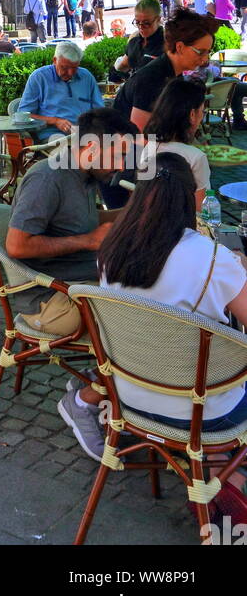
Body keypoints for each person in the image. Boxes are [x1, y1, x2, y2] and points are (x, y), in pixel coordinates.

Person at [56, 150, 247, 465]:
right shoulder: (214, 258)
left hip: (128, 398)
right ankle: (219, 470)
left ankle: (215, 469)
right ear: (190, 198)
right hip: (203, 413)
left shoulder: (111, 250)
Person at [6, 108, 137, 325]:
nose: (121, 166)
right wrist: (88, 241)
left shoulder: (85, 173)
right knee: (143, 313)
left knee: (153, 282)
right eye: (118, 156)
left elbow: (79, 220)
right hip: (49, 299)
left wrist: (136, 211)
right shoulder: (47, 178)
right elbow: (17, 246)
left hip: (80, 281)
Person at [114, 10, 217, 131]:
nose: (205, 59)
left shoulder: (173, 73)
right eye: (201, 52)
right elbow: (141, 136)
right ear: (180, 47)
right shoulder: (152, 79)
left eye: (208, 52)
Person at [140, 78, 210, 210]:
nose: (202, 117)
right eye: (202, 111)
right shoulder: (196, 157)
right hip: (184, 227)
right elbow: (201, 209)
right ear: (192, 114)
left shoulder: (149, 147)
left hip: (150, 224)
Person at [18, 40, 105, 141]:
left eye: (75, 68)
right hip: (53, 137)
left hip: (85, 135)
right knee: (76, 155)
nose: (70, 73)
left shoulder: (86, 76)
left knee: (116, 150)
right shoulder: (39, 77)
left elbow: (99, 111)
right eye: (64, 67)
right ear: (55, 60)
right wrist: (54, 121)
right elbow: (23, 116)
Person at [112, 0, 165, 83]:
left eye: (146, 23)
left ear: (158, 19)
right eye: (137, 22)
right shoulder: (134, 42)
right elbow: (122, 65)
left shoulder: (168, 44)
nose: (141, 27)